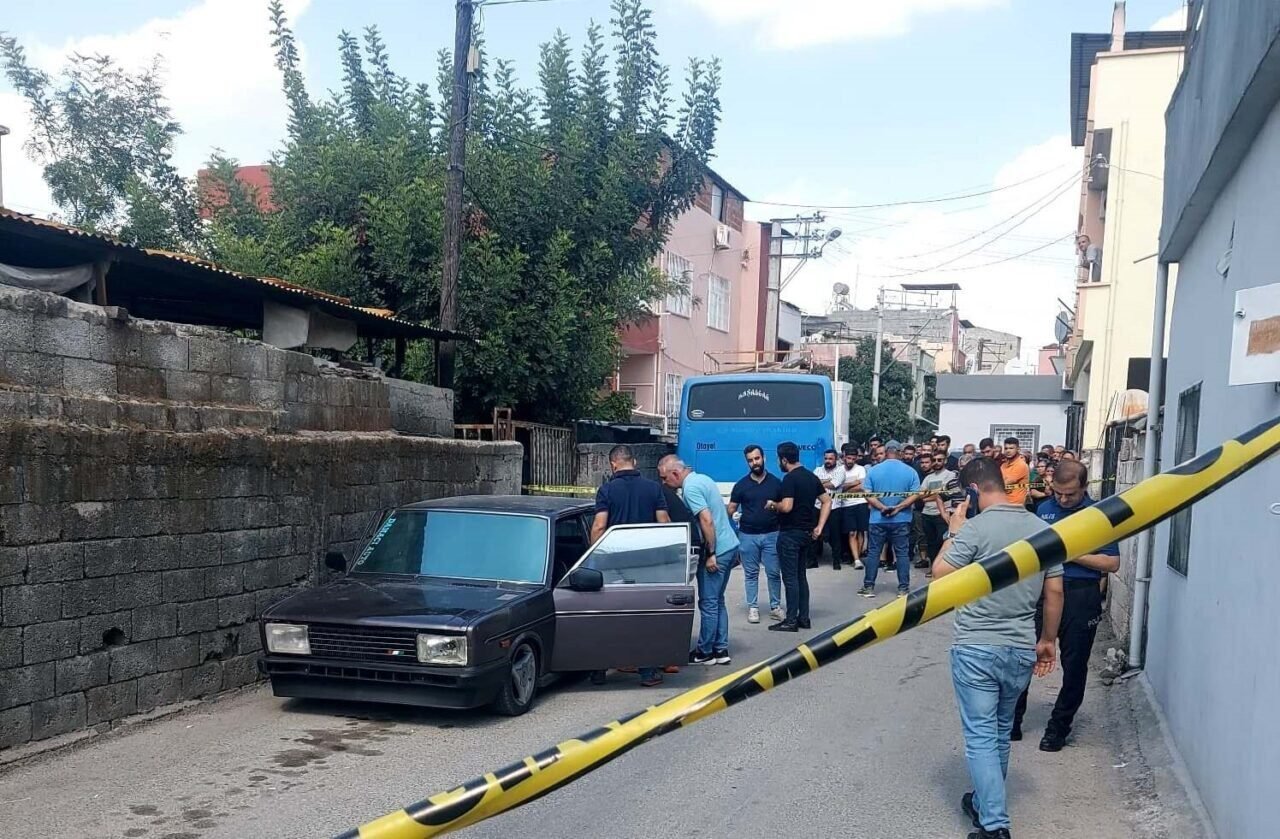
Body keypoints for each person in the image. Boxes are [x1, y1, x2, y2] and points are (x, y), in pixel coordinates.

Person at [932, 456, 1065, 839]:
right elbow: (1055, 591)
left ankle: (994, 825)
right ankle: (982, 803)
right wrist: (1048, 640)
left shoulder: (974, 529)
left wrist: (953, 530)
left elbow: (940, 575)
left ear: (973, 490)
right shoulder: (1042, 529)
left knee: (980, 736)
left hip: (977, 646)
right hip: (1020, 645)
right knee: (1000, 731)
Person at [1013, 460, 1120, 750]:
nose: (1062, 499)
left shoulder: (1099, 515)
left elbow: (1112, 563)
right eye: (1058, 493)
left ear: (1084, 487)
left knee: (1074, 665)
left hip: (1080, 593)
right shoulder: (1043, 509)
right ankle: (1012, 720)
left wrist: (1070, 553)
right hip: (1042, 592)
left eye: (1070, 494)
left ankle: (1058, 728)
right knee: (1024, 656)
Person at [591, 445, 671, 686]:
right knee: (643, 618)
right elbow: (664, 523)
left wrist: (593, 557)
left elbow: (599, 526)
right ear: (634, 462)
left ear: (612, 464)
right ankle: (648, 672)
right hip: (645, 564)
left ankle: (598, 670)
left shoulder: (606, 490)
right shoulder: (654, 488)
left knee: (608, 618)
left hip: (613, 564)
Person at [660, 456, 740, 667]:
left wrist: (711, 553)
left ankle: (705, 652)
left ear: (675, 473)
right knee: (717, 600)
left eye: (665, 478)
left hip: (717, 550)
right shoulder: (704, 479)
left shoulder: (690, 489)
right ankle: (720, 649)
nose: (664, 483)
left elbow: (706, 520)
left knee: (708, 602)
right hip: (729, 545)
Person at [764, 441, 829, 632]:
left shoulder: (789, 479)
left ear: (784, 460)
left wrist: (772, 505)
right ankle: (804, 618)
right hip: (806, 533)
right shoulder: (811, 477)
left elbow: (787, 507)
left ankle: (791, 620)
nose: (778, 463)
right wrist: (819, 526)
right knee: (801, 576)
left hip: (790, 533)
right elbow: (827, 501)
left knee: (790, 578)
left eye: (779, 459)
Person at [857, 440, 921, 598]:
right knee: (902, 554)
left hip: (878, 519)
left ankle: (868, 587)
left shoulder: (873, 471)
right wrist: (898, 507)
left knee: (874, 553)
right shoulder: (910, 471)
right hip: (902, 518)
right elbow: (915, 494)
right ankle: (903, 589)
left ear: (885, 452)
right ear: (900, 452)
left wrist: (881, 507)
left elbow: (867, 494)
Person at [728, 445, 784, 625]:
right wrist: (730, 522)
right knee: (751, 574)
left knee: (774, 573)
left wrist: (776, 507)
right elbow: (731, 509)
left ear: (764, 458)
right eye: (750, 460)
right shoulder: (741, 485)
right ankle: (753, 607)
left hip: (772, 534)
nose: (754, 463)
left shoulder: (776, 483)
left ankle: (775, 607)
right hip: (747, 536)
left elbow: (785, 507)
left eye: (757, 458)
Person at [919, 451, 955, 571]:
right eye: (934, 460)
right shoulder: (928, 477)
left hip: (942, 513)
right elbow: (920, 495)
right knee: (931, 543)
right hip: (927, 513)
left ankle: (943, 568)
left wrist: (930, 496)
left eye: (940, 460)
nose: (936, 462)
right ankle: (933, 567)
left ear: (945, 461)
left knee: (942, 542)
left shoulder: (950, 475)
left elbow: (944, 494)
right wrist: (935, 494)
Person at [810, 449, 847, 569]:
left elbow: (834, 484)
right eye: (826, 458)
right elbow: (812, 483)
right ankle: (812, 561)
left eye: (831, 459)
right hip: (817, 506)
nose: (828, 461)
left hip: (834, 507)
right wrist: (827, 480)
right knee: (814, 534)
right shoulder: (818, 470)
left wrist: (820, 482)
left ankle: (836, 561)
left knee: (835, 536)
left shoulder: (841, 470)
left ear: (836, 459)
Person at [841, 445, 869, 569]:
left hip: (861, 503)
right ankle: (856, 559)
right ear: (844, 457)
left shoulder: (861, 469)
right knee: (852, 532)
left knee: (861, 531)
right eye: (848, 458)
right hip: (846, 505)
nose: (850, 461)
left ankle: (857, 558)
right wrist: (854, 482)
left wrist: (845, 486)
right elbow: (838, 487)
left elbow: (862, 486)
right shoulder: (839, 470)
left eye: (853, 458)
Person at [999, 438, 1030, 506]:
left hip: (1015, 505)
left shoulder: (1021, 465)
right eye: (1006, 448)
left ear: (1018, 449)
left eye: (1011, 448)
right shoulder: (1003, 465)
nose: (1008, 451)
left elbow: (1003, 485)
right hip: (1002, 502)